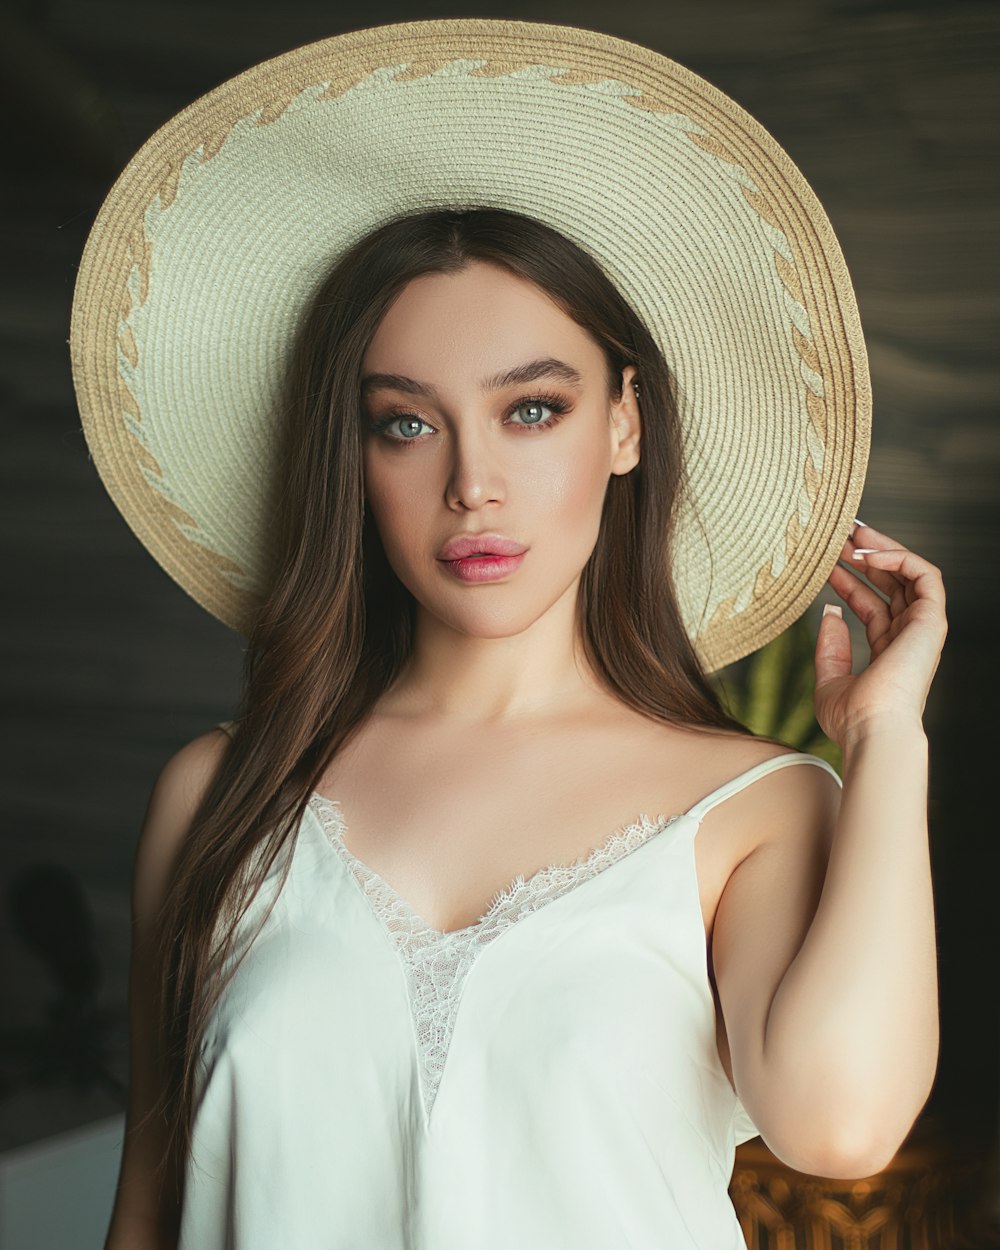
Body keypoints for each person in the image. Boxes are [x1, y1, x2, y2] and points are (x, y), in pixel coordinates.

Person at [75, 20, 946, 1250]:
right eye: (406, 424)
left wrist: (889, 735)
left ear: (625, 423)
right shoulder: (219, 797)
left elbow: (839, 1129)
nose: (473, 481)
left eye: (531, 407)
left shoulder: (754, 808)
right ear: (355, 457)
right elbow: (148, 1211)